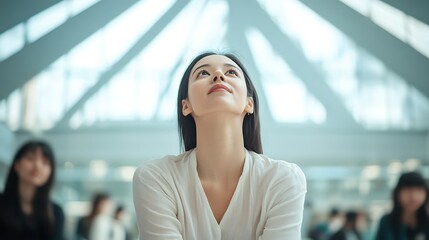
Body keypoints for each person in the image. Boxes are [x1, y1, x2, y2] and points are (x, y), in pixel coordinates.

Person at [133, 52, 307, 239]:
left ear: (249, 104)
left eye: (231, 72)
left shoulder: (283, 179)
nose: (218, 75)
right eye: (203, 73)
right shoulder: (156, 178)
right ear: (186, 106)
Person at [0, 140, 64, 240]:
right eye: (30, 158)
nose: (37, 165)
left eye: (45, 162)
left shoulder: (56, 213)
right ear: (17, 165)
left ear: (50, 172)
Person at [375, 171, 429, 240]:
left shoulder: (426, 222)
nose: (414, 196)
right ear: (398, 193)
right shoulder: (387, 222)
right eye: (408, 190)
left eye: (419, 190)